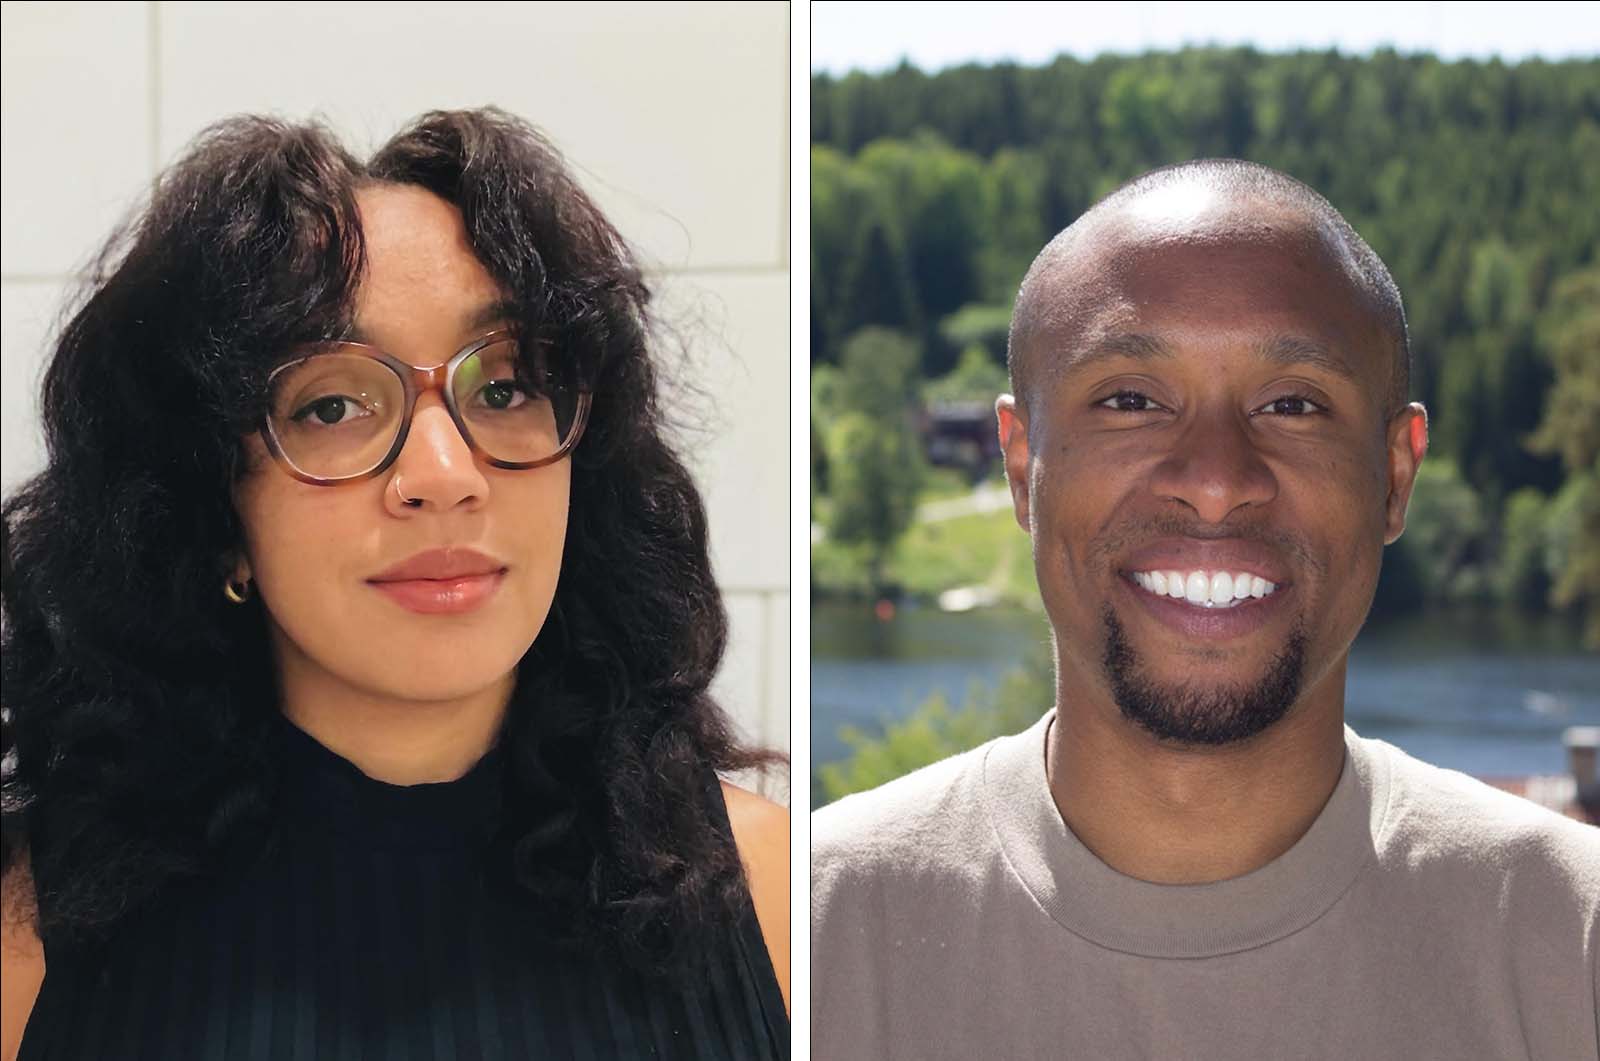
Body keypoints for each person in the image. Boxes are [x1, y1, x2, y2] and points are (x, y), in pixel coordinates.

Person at [1, 107, 789, 1060]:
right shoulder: (26, 940)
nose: (446, 474)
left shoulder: (780, 893)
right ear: (210, 515)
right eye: (332, 404)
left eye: (505, 389)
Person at [811, 159, 1599, 1059]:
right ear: (1023, 463)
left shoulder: (1573, 940)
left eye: (1293, 404)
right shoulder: (815, 926)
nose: (1218, 481)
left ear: (1393, 474)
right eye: (1132, 401)